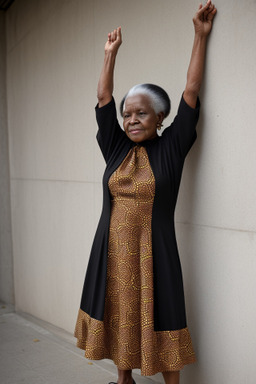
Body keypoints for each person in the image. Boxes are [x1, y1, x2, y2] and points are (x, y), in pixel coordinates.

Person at [74, 2, 217, 384]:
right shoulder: (116, 147)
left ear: (160, 119)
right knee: (119, 308)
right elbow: (103, 98)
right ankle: (124, 379)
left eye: (141, 113)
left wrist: (199, 36)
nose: (132, 120)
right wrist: (109, 55)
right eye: (128, 114)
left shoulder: (171, 147)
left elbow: (190, 89)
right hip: (112, 250)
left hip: (154, 250)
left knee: (162, 311)